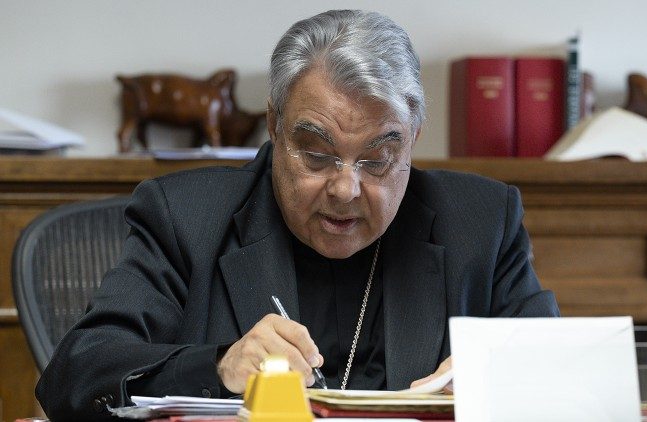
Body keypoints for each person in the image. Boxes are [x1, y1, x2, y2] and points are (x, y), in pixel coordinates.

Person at [36, 9, 559, 421]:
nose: (346, 189)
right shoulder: (185, 219)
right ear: (274, 126)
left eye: (377, 160)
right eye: (317, 154)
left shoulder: (482, 221)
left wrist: (500, 378)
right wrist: (218, 367)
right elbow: (76, 374)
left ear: (412, 143)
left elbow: (560, 369)